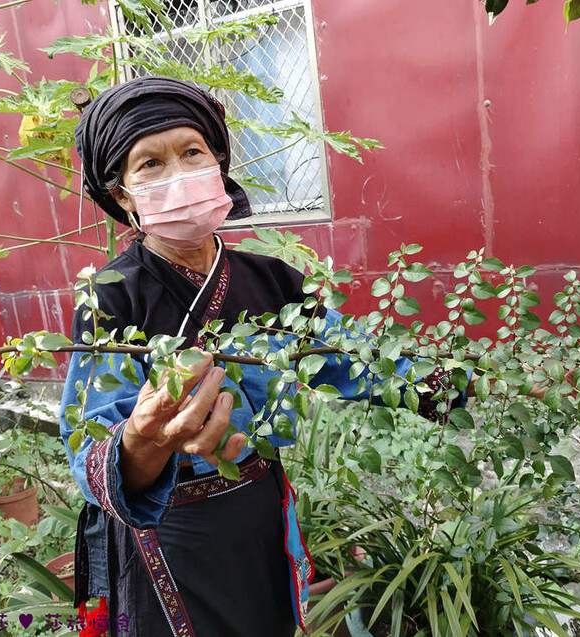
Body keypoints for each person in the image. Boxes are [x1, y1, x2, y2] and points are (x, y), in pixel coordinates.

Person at [61, 75, 464, 636]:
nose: (178, 174)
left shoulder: (272, 283)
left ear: (218, 165)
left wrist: (462, 384)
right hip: (171, 532)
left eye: (191, 152)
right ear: (123, 194)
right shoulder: (110, 298)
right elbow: (90, 442)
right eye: (149, 164)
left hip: (257, 506)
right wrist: (142, 442)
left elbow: (351, 357)